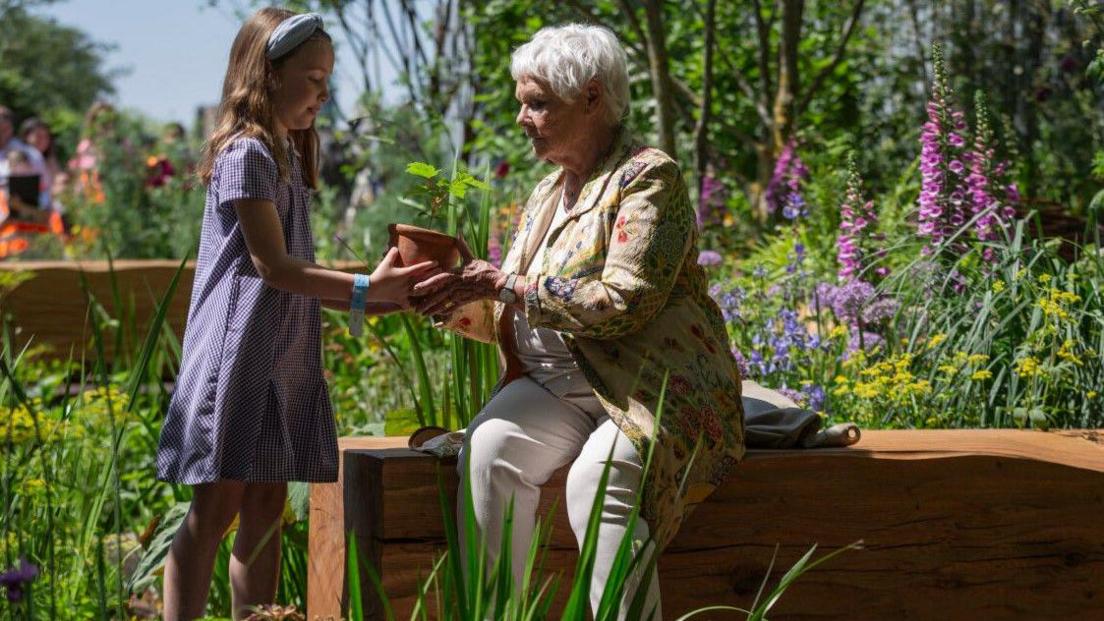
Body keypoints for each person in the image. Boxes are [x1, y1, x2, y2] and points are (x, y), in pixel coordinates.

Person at [411, 24, 745, 620]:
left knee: (597, 479)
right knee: (487, 451)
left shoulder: (648, 177)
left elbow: (623, 302)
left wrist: (504, 284)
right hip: (557, 387)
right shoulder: (545, 193)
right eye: (522, 102)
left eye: (537, 103)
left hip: (648, 387)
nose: (521, 118)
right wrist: (449, 294)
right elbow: (514, 308)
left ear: (592, 98)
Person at [153, 9, 435, 620]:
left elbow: (298, 269)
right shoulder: (246, 153)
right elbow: (271, 268)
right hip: (239, 350)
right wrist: (364, 288)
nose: (324, 93)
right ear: (268, 74)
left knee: (266, 503)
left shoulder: (285, 153)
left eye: (327, 78)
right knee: (217, 507)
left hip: (281, 353)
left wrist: (375, 295)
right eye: (313, 77)